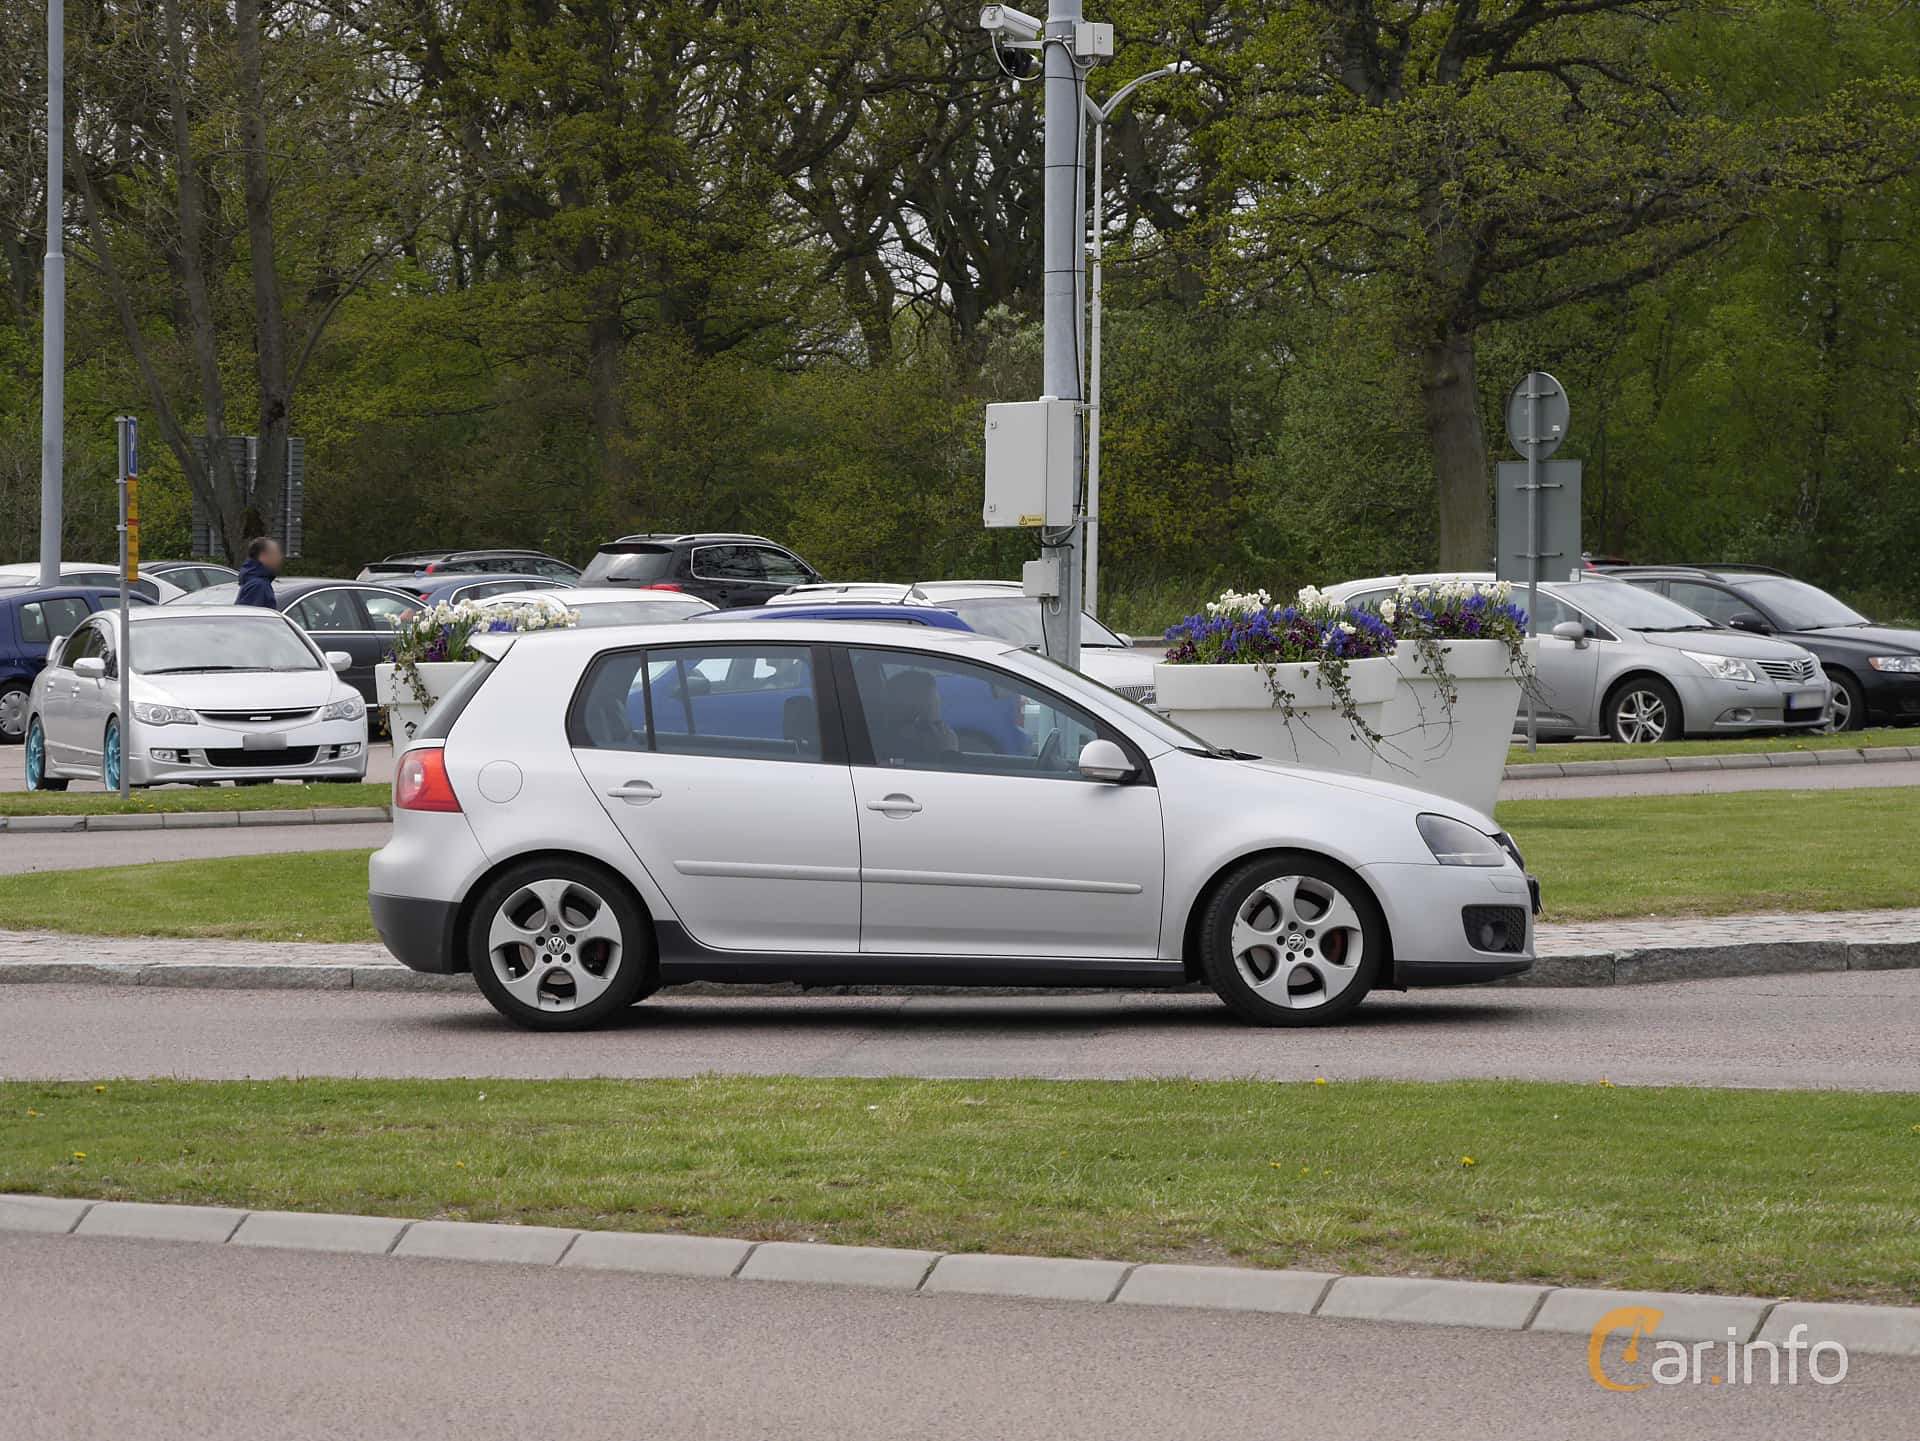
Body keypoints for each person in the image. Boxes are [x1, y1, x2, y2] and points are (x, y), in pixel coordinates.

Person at [235, 537, 282, 609]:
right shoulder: (258, 586)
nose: (280, 557)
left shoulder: (255, 581)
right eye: (275, 553)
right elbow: (253, 618)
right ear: (263, 556)